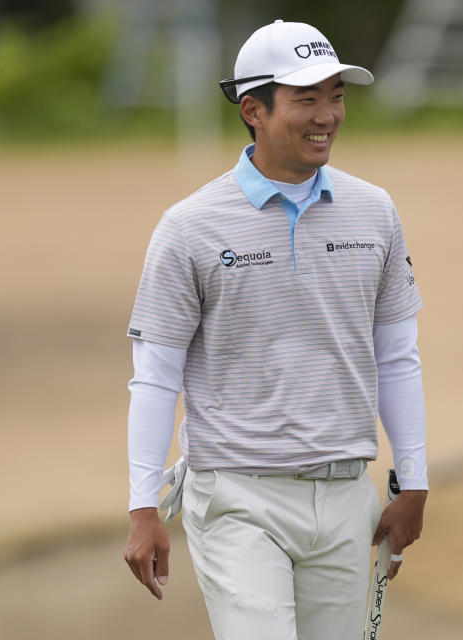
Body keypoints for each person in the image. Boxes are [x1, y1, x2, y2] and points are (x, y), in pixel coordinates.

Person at [122, 19, 428, 640]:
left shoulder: (375, 211)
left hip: (346, 496)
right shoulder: (189, 227)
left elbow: (397, 356)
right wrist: (142, 504)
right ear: (253, 109)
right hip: (237, 497)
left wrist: (414, 480)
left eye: (336, 95)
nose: (328, 115)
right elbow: (156, 375)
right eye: (306, 98)